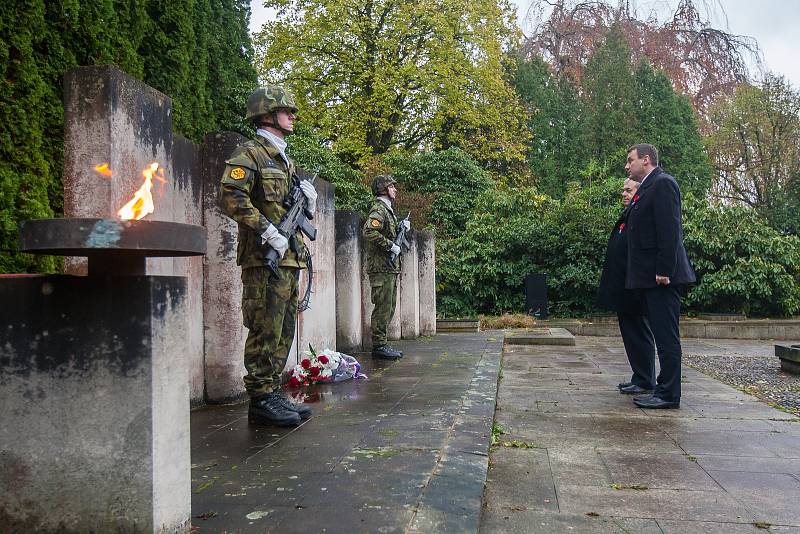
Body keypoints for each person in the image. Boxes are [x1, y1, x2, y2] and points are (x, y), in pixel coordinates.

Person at [219, 85, 318, 426]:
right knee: (265, 326)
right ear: (266, 115)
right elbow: (232, 196)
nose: (293, 116)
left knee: (283, 328)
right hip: (264, 258)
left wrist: (309, 203)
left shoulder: (284, 159)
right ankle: (260, 398)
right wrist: (266, 230)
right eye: (287, 110)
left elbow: (285, 206)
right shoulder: (250, 154)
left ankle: (272, 392)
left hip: (289, 258)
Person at [624, 143, 696, 409]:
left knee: (667, 337)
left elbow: (670, 230)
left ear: (646, 160)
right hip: (650, 278)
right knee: (662, 334)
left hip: (662, 278)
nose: (627, 165)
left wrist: (664, 269)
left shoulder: (663, 184)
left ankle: (668, 394)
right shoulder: (648, 187)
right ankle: (662, 389)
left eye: (630, 160)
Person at [597, 178, 656, 395]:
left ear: (639, 193)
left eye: (628, 190)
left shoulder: (639, 215)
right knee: (631, 334)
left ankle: (646, 380)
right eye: (623, 189)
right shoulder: (629, 213)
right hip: (623, 287)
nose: (624, 193)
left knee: (639, 333)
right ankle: (639, 376)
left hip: (633, 288)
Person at [363, 174, 410, 360]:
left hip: (388, 267)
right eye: (391, 186)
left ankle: (382, 344)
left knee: (389, 307)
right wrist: (391, 246)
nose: (395, 189)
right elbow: (369, 231)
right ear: (383, 189)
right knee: (383, 307)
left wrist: (401, 228)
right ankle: (379, 346)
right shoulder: (379, 209)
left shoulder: (387, 210)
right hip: (381, 267)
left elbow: (386, 232)